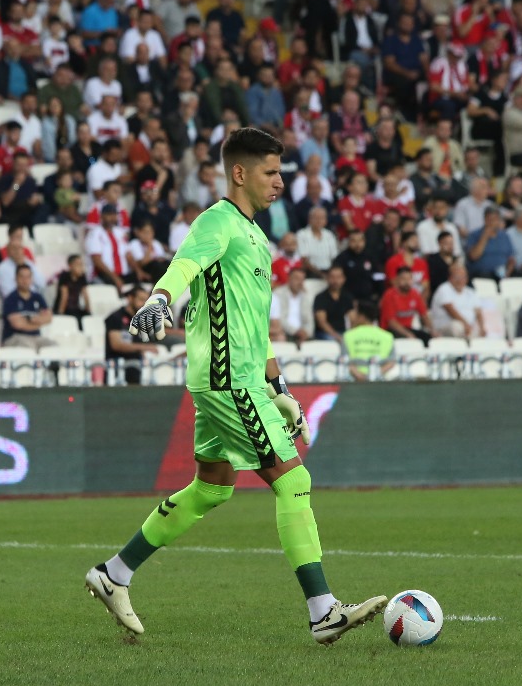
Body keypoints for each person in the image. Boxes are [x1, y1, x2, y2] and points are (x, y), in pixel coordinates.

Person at [85, 127, 385, 644]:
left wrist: (281, 388)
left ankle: (114, 574)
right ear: (240, 174)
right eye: (270, 172)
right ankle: (323, 611)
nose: (279, 182)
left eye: (281, 172)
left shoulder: (257, 237)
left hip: (234, 380)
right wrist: (160, 298)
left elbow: (255, 324)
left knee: (212, 488)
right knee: (293, 482)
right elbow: (185, 265)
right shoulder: (218, 222)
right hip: (226, 380)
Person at [2, 263, 57, 351]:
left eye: (28, 277)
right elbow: (17, 324)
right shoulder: (11, 298)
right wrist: (36, 321)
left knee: (53, 346)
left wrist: (26, 320)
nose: (25, 280)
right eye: (22, 277)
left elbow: (48, 318)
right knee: (27, 347)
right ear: (16, 278)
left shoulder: (37, 297)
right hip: (15, 337)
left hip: (36, 337)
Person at [342, 300, 395, 380]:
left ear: (362, 316)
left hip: (354, 382)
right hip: (379, 381)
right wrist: (374, 375)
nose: (352, 316)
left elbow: (345, 359)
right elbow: (391, 362)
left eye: (355, 312)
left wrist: (359, 376)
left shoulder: (348, 335)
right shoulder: (387, 336)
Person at [312, 265, 355, 343]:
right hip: (324, 333)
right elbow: (322, 322)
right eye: (332, 277)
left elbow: (353, 319)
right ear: (327, 278)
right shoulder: (320, 297)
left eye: (338, 277)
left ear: (343, 279)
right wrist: (335, 335)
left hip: (343, 332)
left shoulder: (347, 297)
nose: (335, 281)